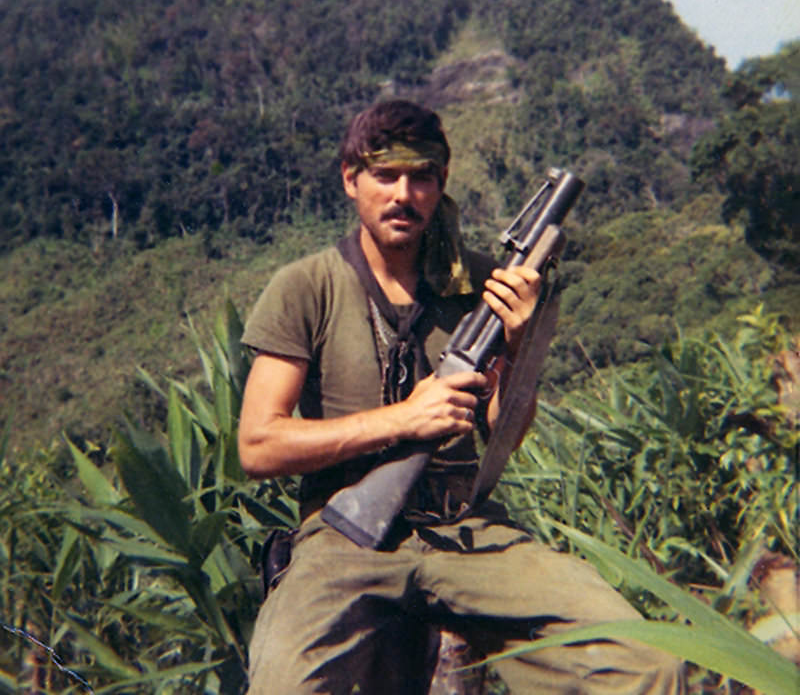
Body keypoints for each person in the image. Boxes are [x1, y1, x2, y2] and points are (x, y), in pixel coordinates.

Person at [238, 100, 684, 694]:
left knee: (645, 663)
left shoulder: (484, 286)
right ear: (350, 180)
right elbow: (258, 445)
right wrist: (402, 420)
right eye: (385, 175)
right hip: (343, 538)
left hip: (465, 528)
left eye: (421, 177)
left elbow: (503, 433)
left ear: (440, 183)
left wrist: (519, 344)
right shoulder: (306, 287)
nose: (403, 194)